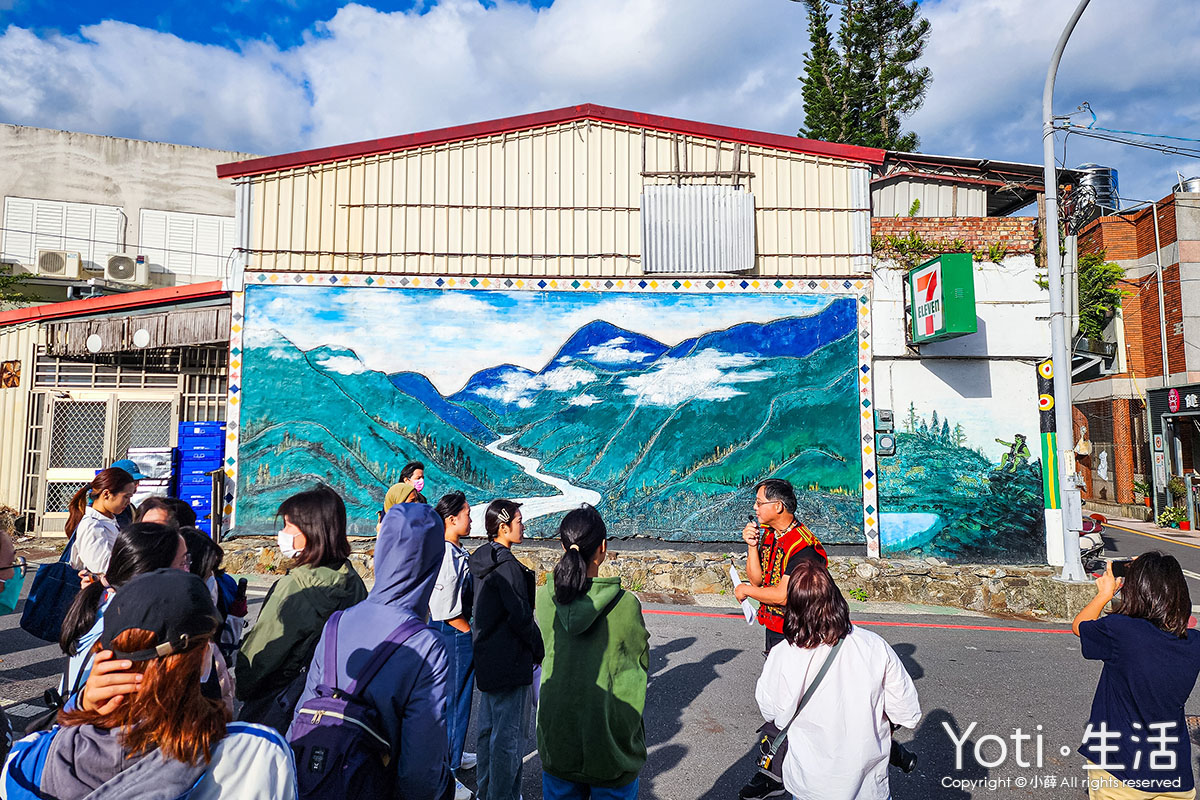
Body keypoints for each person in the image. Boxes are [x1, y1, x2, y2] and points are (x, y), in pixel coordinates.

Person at [2, 569, 298, 800]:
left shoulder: (27, 761)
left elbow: (43, 738)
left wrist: (78, 709)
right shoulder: (256, 752)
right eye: (207, 644)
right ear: (194, 661)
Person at [289, 502, 453, 800]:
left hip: (318, 782)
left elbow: (302, 715)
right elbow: (421, 768)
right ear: (433, 562)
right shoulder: (427, 645)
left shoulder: (337, 623)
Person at [755, 560, 920, 800]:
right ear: (836, 599)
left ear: (793, 606)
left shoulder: (782, 654)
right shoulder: (873, 645)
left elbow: (770, 710)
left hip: (810, 784)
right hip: (868, 784)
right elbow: (908, 713)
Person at [536, 505, 648, 800]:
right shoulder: (625, 605)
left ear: (562, 546)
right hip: (610, 742)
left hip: (558, 735)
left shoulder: (545, 599)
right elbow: (638, 664)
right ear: (603, 548)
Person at [236, 484, 367, 730]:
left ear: (311, 532)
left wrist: (242, 686)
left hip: (281, 704)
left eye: (288, 526)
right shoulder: (352, 580)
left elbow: (261, 657)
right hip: (329, 701)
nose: (282, 534)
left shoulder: (294, 586)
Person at [1073, 553, 1200, 799]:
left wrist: (1104, 593)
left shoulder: (1121, 631)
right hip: (1175, 774)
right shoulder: (1194, 642)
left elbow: (1080, 625)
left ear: (1136, 589)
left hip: (1121, 771)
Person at [57, 523, 191, 709]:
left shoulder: (105, 600)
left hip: (76, 717)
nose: (188, 570)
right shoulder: (134, 624)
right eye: (183, 562)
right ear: (152, 570)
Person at [469, 499, 543, 800]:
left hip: (486, 657)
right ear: (503, 527)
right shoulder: (509, 567)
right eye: (519, 520)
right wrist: (538, 649)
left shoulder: (479, 560)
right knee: (509, 739)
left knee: (487, 733)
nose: (523, 525)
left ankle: (486, 791)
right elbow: (521, 617)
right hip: (511, 662)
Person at [432, 491, 478, 800]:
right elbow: (447, 611)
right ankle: (447, 776)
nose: (471, 519)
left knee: (460, 702)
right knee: (454, 704)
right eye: (467, 514)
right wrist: (469, 633)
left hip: (456, 633)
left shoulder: (455, 551)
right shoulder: (447, 556)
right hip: (453, 635)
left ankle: (456, 754)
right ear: (452, 519)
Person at [66, 467, 137, 575]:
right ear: (106, 494)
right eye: (126, 497)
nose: (128, 502)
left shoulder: (109, 520)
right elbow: (101, 567)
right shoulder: (91, 525)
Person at [108, 459, 148, 528]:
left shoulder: (129, 507)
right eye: (133, 482)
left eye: (138, 482)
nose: (137, 485)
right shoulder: (97, 517)